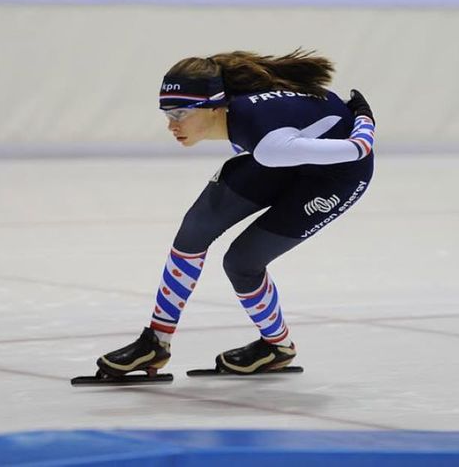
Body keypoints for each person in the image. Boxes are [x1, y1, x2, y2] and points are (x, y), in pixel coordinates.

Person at [96, 49, 375, 377]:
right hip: (289, 149)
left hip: (338, 173)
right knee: (194, 230)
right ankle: (155, 342)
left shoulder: (270, 144)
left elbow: (358, 148)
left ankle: (277, 347)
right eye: (167, 113)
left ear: (214, 106)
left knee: (242, 263)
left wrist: (364, 115)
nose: (172, 125)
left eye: (181, 113)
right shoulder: (239, 113)